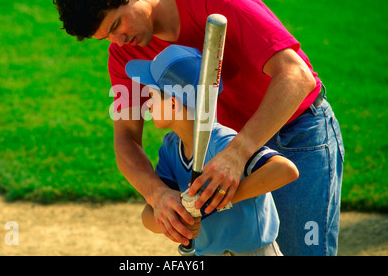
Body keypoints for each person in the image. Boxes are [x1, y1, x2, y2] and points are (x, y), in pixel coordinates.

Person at [53, 0, 345, 255]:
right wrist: (158, 195)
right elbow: (126, 138)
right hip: (220, 150)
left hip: (293, 133)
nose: (120, 40)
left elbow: (297, 75)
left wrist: (237, 153)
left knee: (303, 249)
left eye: (117, 25)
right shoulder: (124, 56)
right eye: (107, 37)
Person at [126, 44, 298, 256]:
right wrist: (174, 217)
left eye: (152, 95)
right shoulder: (170, 148)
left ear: (173, 103)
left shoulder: (222, 142)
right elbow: (148, 216)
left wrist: (213, 202)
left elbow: (285, 170)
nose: (148, 104)